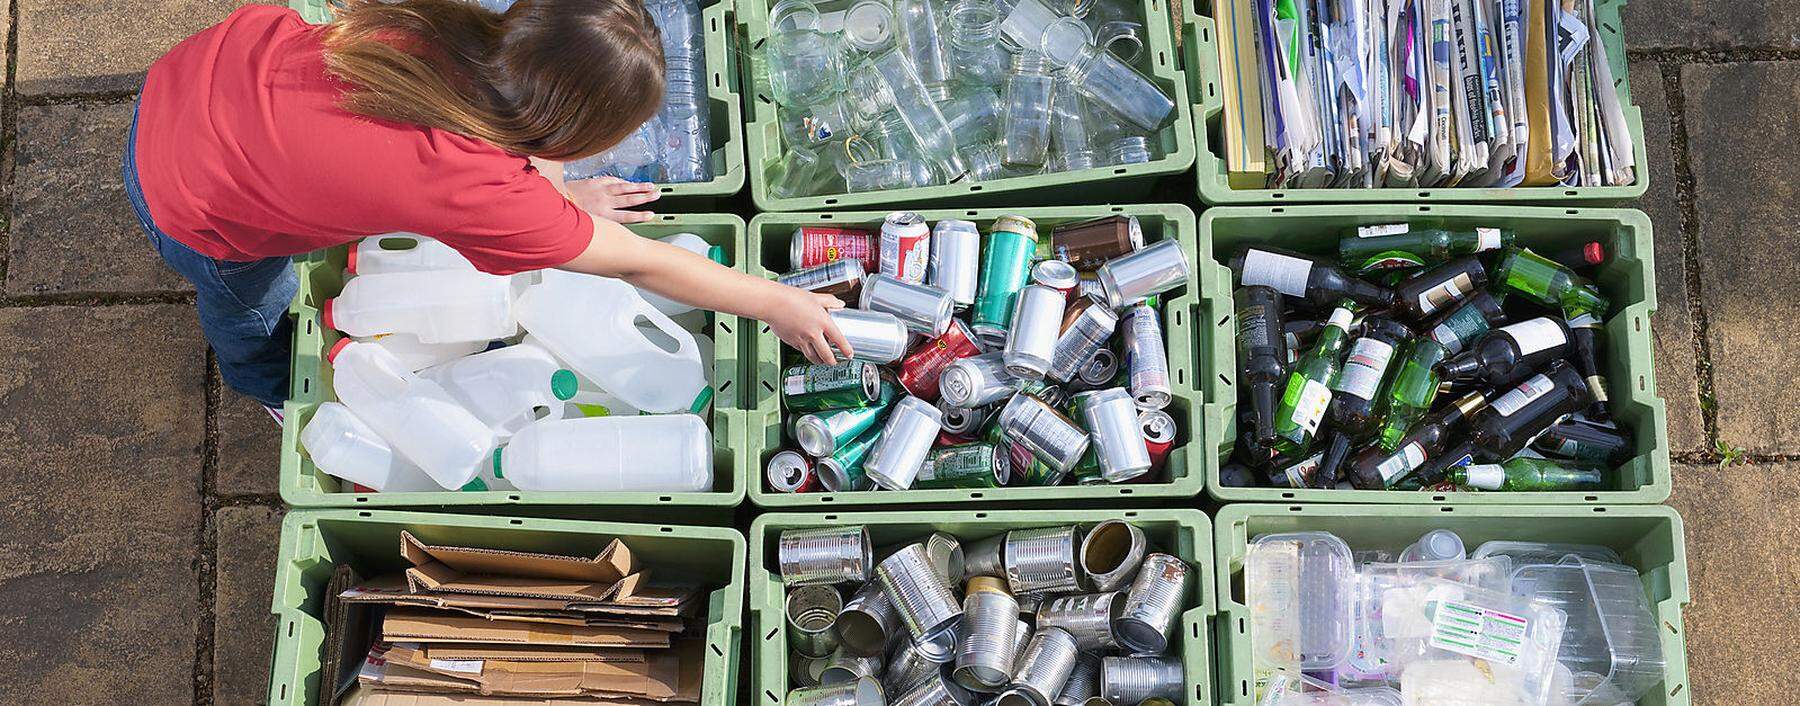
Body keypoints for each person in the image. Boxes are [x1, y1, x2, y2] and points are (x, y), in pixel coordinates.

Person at [126, 0, 850, 421]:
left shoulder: (448, 29)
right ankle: (266, 383)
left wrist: (555, 196)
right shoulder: (482, 192)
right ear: (575, 132)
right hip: (191, 198)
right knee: (248, 302)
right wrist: (775, 303)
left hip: (198, 73)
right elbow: (638, 260)